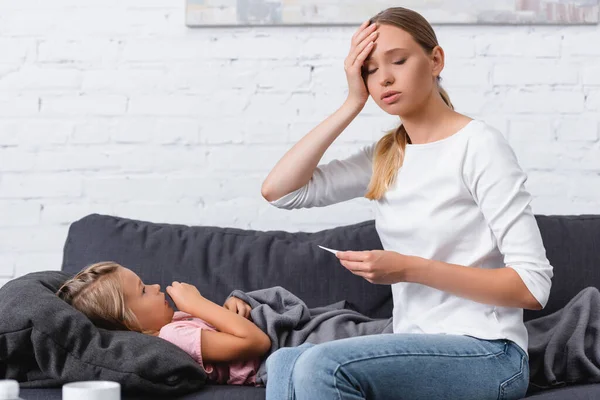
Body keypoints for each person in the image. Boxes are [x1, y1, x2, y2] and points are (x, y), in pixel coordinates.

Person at [260, 6, 553, 400]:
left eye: (398, 60)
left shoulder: (479, 145)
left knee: (320, 365)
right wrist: (351, 103)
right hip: (413, 345)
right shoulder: (386, 156)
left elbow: (533, 286)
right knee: (283, 361)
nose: (385, 78)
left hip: (490, 352)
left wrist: (409, 268)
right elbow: (280, 192)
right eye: (369, 70)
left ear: (435, 60)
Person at [56, 261, 270, 386]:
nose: (156, 286)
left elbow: (226, 328)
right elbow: (258, 342)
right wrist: (198, 304)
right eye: (143, 290)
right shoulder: (172, 336)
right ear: (129, 322)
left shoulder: (175, 320)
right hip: (271, 358)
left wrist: (233, 305)